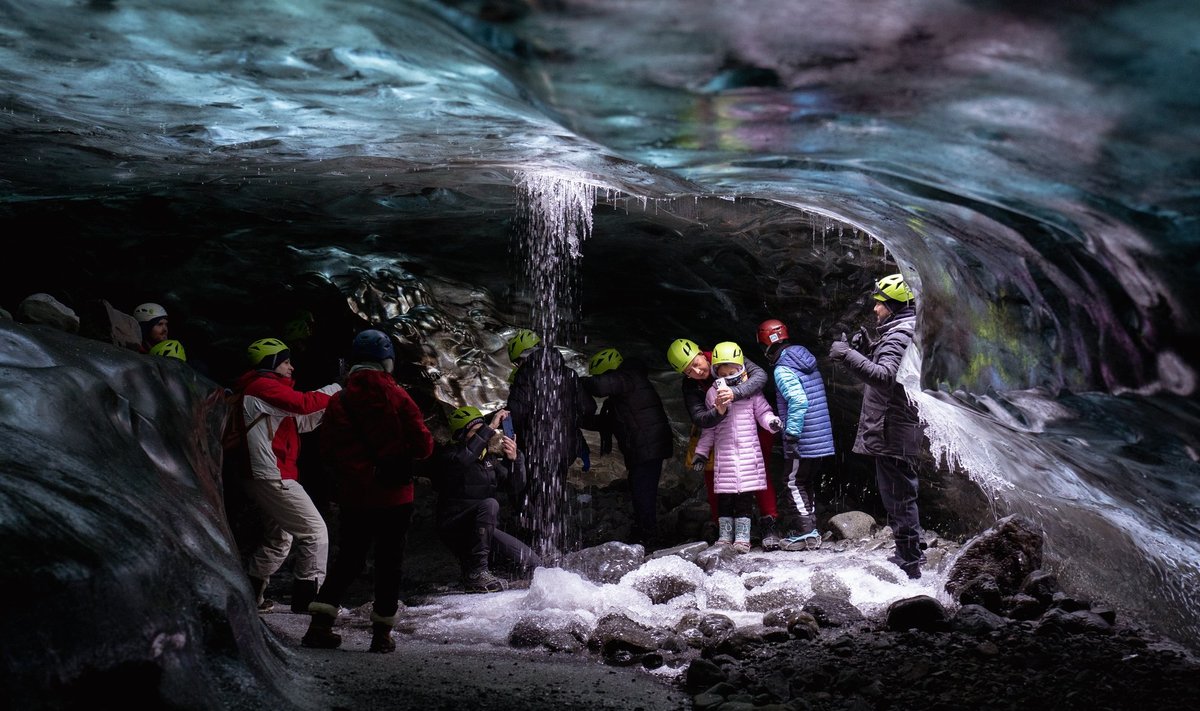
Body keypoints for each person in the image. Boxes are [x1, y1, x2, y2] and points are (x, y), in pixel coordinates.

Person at [302, 329, 434, 653]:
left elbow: (327, 449)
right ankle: (381, 636)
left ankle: (319, 625)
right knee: (390, 563)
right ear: (387, 361)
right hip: (394, 496)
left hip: (354, 496)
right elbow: (424, 446)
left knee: (348, 559)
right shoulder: (398, 395)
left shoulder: (340, 400)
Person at [828, 273, 926, 579]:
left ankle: (909, 561)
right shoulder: (902, 330)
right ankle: (912, 549)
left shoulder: (899, 335)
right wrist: (870, 347)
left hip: (892, 427)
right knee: (901, 490)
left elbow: (884, 377)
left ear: (895, 306)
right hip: (897, 424)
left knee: (897, 494)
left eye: (881, 304)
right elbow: (895, 371)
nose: (875, 309)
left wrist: (847, 355)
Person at [234, 337, 342, 614]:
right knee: (315, 532)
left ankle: (250, 595)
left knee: (278, 539)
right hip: (272, 475)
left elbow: (300, 421)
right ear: (271, 363)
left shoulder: (260, 391)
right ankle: (308, 600)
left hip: (262, 474)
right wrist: (339, 387)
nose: (291, 367)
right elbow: (304, 403)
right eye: (285, 362)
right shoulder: (261, 387)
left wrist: (328, 404)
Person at [666, 337, 783, 550]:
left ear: (702, 353)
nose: (696, 371)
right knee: (716, 476)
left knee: (757, 470)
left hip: (751, 422)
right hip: (720, 430)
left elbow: (759, 376)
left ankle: (769, 523)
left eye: (696, 363)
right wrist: (718, 412)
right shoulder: (692, 385)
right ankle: (722, 527)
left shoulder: (725, 354)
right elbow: (700, 417)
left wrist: (735, 394)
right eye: (688, 370)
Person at [504, 328, 595, 558]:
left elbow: (518, 411)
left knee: (535, 490)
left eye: (516, 362)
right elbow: (588, 408)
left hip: (538, 446)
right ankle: (554, 541)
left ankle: (539, 545)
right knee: (554, 489)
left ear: (522, 357)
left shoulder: (527, 374)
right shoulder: (569, 373)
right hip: (565, 446)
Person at [431, 405, 539, 593]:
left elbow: (514, 488)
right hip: (455, 525)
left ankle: (485, 572)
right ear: (460, 435)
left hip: (481, 528)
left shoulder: (488, 460)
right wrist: (489, 427)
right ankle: (476, 573)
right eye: (475, 432)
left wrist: (516, 460)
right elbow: (463, 459)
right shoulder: (449, 455)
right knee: (490, 504)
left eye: (482, 430)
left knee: (533, 564)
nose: (484, 436)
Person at [579, 348, 674, 550]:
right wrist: (577, 420)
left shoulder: (627, 377)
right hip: (647, 446)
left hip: (647, 446)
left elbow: (598, 386)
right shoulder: (625, 392)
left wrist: (575, 380)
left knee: (643, 490)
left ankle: (648, 537)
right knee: (640, 487)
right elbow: (606, 423)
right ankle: (645, 530)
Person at [757, 319, 835, 552]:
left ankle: (807, 532)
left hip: (803, 436)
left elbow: (799, 401)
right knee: (805, 480)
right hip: (820, 434)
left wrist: (791, 434)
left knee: (792, 481)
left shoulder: (783, 368)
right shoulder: (804, 359)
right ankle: (811, 529)